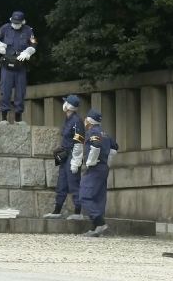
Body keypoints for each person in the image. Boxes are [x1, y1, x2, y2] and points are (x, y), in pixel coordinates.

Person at [43, 95, 85, 220]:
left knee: (73, 183)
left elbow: (79, 141)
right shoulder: (68, 119)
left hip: (72, 155)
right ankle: (57, 211)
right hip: (65, 154)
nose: (64, 104)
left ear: (69, 106)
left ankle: (78, 212)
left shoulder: (76, 121)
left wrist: (76, 160)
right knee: (61, 183)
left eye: (65, 102)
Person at [0, 11, 37, 125]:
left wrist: (28, 52)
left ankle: (18, 118)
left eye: (18, 22)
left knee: (20, 92)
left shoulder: (27, 30)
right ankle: (4, 118)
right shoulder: (5, 28)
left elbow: (34, 44)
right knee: (5, 91)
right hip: (7, 64)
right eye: (14, 22)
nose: (15, 24)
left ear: (22, 22)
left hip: (20, 65)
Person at [80, 109, 119, 237]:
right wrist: (107, 162)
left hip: (95, 168)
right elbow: (115, 147)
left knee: (85, 195)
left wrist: (90, 163)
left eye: (86, 118)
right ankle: (96, 228)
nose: (85, 120)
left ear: (89, 120)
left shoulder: (93, 132)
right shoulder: (105, 133)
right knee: (98, 197)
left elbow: (95, 146)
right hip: (103, 168)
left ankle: (100, 223)